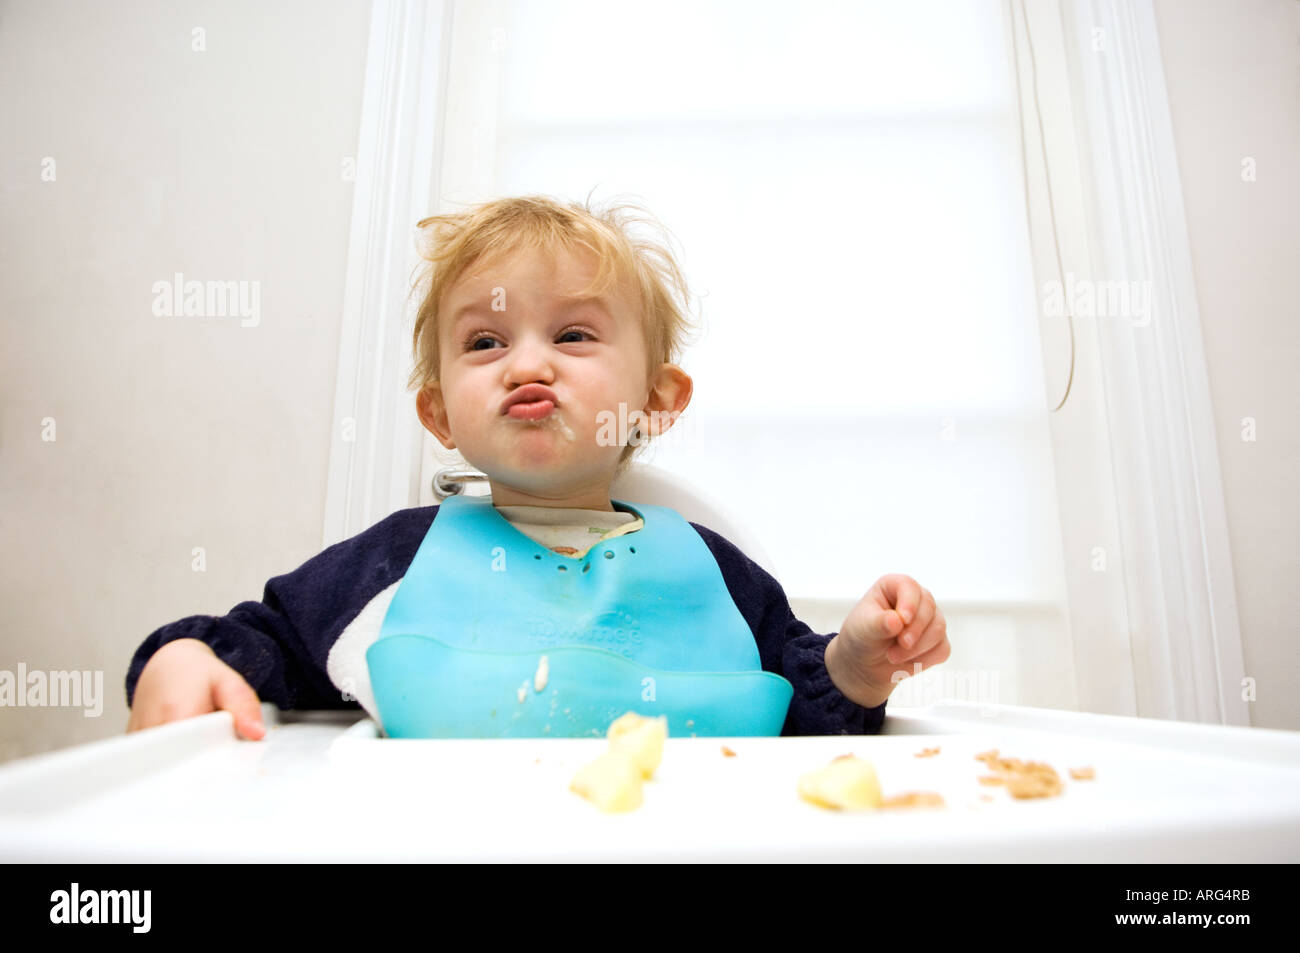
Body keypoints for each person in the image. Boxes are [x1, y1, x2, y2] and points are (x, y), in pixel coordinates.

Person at [126, 195, 950, 740]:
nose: (527, 364)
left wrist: (857, 663)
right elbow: (262, 645)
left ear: (656, 399)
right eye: (485, 341)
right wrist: (187, 656)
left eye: (573, 334)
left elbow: (806, 725)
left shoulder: (713, 575)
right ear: (439, 413)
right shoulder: (393, 565)